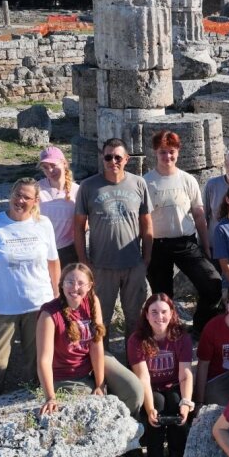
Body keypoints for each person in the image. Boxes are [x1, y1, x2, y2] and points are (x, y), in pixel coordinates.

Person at [0, 178, 59, 399]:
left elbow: (53, 262)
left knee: (39, 362)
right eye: (17, 194)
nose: (20, 200)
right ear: (11, 194)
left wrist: (57, 299)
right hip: (3, 307)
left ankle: (35, 403)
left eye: (27, 197)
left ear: (35, 201)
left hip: (39, 305)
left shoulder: (44, 224)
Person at [35, 263, 143, 417]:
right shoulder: (49, 314)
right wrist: (50, 398)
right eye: (70, 282)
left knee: (134, 391)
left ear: (89, 286)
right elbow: (44, 360)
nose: (75, 288)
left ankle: (129, 425)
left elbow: (96, 345)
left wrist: (100, 383)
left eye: (80, 283)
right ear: (62, 284)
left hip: (90, 364)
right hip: (64, 374)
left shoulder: (92, 301)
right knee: (91, 404)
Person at [143, 130, 222, 334]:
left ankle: (201, 327)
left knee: (212, 284)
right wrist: (146, 253)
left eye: (171, 151)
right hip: (158, 245)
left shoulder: (188, 180)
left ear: (178, 151)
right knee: (162, 296)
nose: (167, 156)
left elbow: (199, 216)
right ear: (155, 152)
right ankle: (168, 333)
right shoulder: (146, 182)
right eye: (162, 152)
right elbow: (143, 220)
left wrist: (206, 246)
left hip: (186, 242)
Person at [74, 138, 153, 339]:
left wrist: (146, 259)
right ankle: (102, 359)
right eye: (108, 157)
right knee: (100, 320)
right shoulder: (88, 186)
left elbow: (147, 224)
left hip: (133, 264)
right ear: (102, 158)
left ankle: (133, 356)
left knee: (135, 319)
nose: (113, 161)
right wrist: (83, 261)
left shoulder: (139, 183)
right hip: (101, 266)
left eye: (118, 157)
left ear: (127, 159)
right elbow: (78, 227)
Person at [127, 293, 195, 457]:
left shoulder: (181, 337)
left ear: (172, 313)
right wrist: (150, 409)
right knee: (157, 406)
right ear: (146, 315)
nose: (159, 317)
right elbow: (143, 378)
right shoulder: (137, 340)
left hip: (174, 384)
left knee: (176, 404)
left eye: (164, 312)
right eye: (154, 312)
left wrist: (186, 402)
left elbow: (185, 374)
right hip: (151, 388)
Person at [37, 146, 79, 266]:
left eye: (53, 165)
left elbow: (83, 225)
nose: (50, 170)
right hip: (42, 250)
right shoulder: (36, 189)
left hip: (68, 250)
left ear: (64, 163)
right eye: (45, 167)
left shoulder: (77, 191)